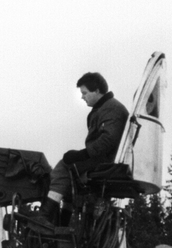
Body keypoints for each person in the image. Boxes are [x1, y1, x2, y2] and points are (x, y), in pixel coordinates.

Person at [38, 72, 129, 225]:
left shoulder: (112, 109)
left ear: (98, 91)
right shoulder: (105, 108)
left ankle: (45, 216)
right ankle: (63, 223)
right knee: (70, 178)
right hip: (102, 157)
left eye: (85, 93)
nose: (82, 97)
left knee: (64, 167)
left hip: (106, 160)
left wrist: (82, 154)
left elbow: (109, 140)